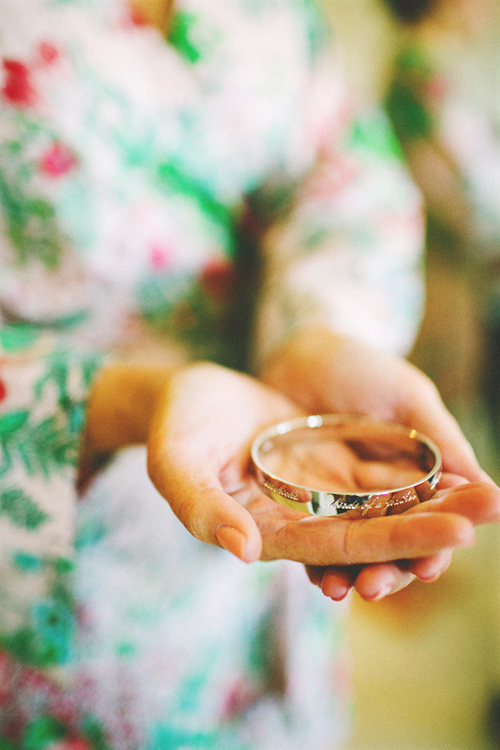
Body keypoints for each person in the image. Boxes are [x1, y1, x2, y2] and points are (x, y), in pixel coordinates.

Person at [0, 0, 499, 747]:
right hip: (64, 579)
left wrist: (322, 333)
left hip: (271, 502)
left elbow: (343, 166)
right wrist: (124, 400)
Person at [382, 0, 500, 436]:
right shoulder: (424, 65)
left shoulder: (429, 62)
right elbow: (472, 178)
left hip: (453, 262)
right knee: (440, 402)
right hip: (440, 268)